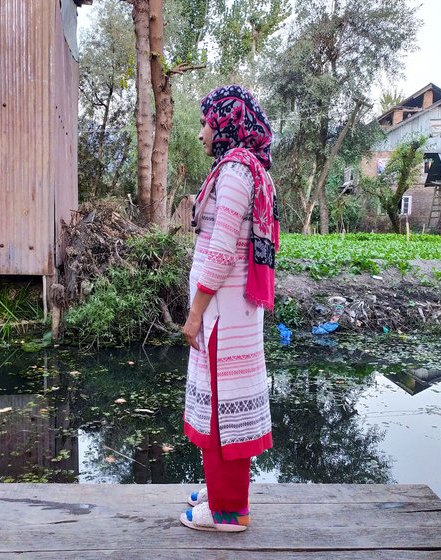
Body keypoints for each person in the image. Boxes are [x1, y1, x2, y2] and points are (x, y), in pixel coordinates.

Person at [180, 84, 279, 533]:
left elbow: (221, 251)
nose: (201, 132)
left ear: (224, 122)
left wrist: (196, 312)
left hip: (222, 313)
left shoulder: (236, 172)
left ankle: (228, 513)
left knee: (221, 410)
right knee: (226, 405)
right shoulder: (246, 168)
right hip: (233, 311)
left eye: (205, 121)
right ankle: (222, 492)